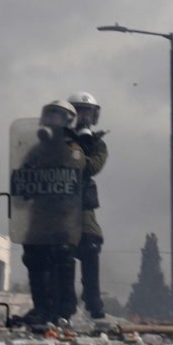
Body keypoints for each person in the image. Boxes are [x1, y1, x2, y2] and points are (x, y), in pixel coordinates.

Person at [16, 100, 86, 326]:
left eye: (58, 116)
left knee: (62, 261)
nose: (53, 120)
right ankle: (42, 308)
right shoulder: (37, 149)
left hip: (63, 219)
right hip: (38, 219)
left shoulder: (73, 148)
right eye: (50, 114)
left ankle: (63, 310)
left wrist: (71, 145)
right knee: (35, 260)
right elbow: (21, 177)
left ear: (68, 120)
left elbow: (79, 168)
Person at [68, 92, 107, 319]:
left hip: (82, 205)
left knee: (90, 245)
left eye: (87, 112)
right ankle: (66, 304)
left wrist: (78, 148)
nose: (83, 117)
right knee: (60, 252)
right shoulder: (56, 138)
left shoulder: (98, 144)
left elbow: (91, 167)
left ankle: (93, 301)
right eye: (78, 111)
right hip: (56, 205)